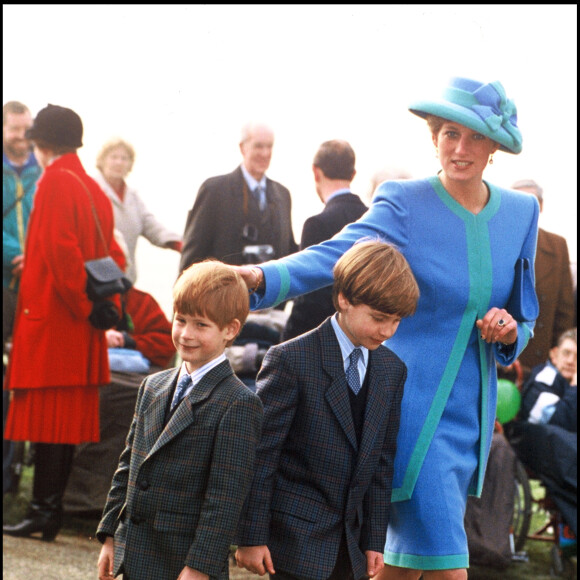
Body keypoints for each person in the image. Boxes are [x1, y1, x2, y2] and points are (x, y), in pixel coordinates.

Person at [237, 77, 539, 580]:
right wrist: (263, 279)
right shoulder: (404, 201)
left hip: (472, 419)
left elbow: (523, 314)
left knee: (404, 566)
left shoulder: (521, 212)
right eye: (448, 134)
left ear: (495, 147)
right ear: (433, 137)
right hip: (408, 410)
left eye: (474, 138)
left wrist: (510, 331)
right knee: (447, 563)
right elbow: (337, 253)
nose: (459, 149)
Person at [236, 241, 419, 580]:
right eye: (379, 318)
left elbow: (381, 463)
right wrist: (251, 536)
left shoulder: (393, 370)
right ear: (344, 299)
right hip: (292, 542)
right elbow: (260, 456)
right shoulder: (290, 360)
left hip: (349, 547)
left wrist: (374, 540)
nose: (388, 331)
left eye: (396, 321)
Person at [2, 104, 126, 541]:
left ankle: (44, 511)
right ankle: (46, 511)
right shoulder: (91, 186)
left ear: (42, 144)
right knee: (61, 425)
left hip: (57, 319)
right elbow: (115, 254)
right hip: (80, 323)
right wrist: (99, 305)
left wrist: (83, 305)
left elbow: (60, 250)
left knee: (48, 423)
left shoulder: (54, 179)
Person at [96, 261, 263, 580]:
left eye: (201, 325)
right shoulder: (152, 385)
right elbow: (129, 466)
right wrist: (110, 536)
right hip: (134, 555)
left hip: (183, 563)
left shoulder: (239, 402)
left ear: (230, 329)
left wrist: (200, 565)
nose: (185, 334)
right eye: (181, 320)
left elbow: (225, 498)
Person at [179, 122, 297, 272]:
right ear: (242, 148)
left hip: (271, 293)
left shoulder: (282, 195)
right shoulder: (215, 191)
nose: (265, 153)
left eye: (269, 146)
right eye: (259, 146)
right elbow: (193, 254)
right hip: (226, 291)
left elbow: (289, 251)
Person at [282, 140, 368, 341]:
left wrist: (283, 343)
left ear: (315, 172)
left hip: (323, 343)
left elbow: (308, 300)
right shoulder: (370, 218)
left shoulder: (316, 224)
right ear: (353, 174)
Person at [3, 100, 42, 495]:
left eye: (26, 129)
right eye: (15, 129)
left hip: (31, 284)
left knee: (21, 380)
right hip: (5, 279)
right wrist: (14, 253)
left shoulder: (40, 170)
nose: (21, 137)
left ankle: (10, 478)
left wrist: (34, 258)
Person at [93, 137, 182, 284]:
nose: (119, 162)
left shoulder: (132, 197)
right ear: (102, 161)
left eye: (124, 158)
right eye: (113, 157)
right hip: (99, 280)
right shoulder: (92, 190)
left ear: (130, 164)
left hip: (126, 279)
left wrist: (178, 243)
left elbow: (150, 225)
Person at [510, 179, 575, 379]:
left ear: (541, 206)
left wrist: (556, 360)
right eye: (518, 202)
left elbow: (565, 312)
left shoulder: (557, 246)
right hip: (505, 359)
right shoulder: (498, 244)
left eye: (532, 201)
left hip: (542, 365)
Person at [519, 327, 576, 431]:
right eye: (566, 353)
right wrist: (575, 388)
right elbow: (557, 423)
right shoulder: (545, 378)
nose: (570, 361)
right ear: (554, 354)